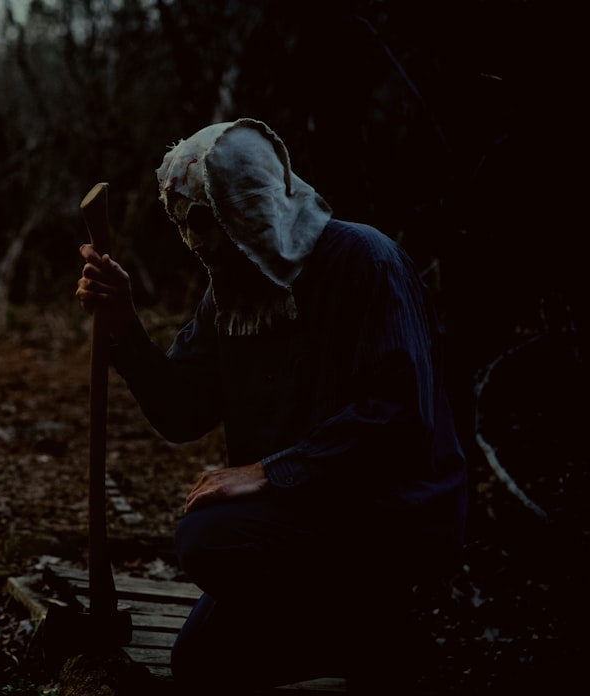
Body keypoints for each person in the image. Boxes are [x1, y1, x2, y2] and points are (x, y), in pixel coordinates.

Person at [75, 119, 467, 694]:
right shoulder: (231, 292)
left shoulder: (367, 260)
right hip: (306, 514)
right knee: (201, 666)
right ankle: (351, 648)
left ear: (248, 199)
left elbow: (399, 417)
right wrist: (124, 327)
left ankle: (381, 644)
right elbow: (182, 412)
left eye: (204, 219)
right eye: (182, 223)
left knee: (209, 537)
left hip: (390, 511)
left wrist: (268, 472)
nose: (195, 241)